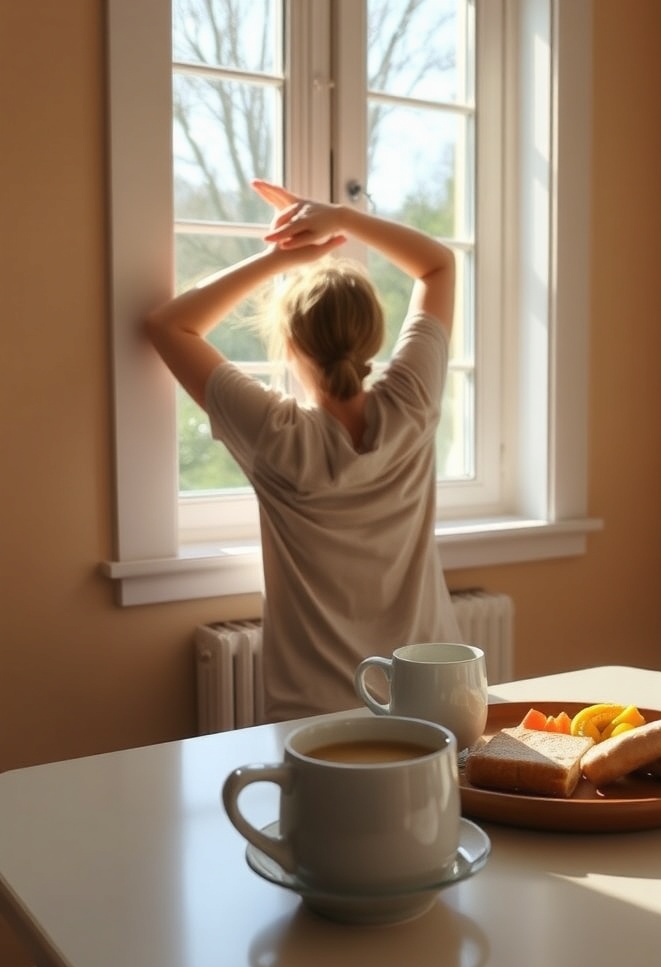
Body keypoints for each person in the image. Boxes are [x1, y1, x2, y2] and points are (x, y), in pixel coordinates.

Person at [143, 179, 462, 721]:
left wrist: (282, 257)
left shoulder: (276, 435)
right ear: (373, 337)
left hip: (316, 714)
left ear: (290, 346)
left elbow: (169, 325)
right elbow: (438, 265)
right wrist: (342, 218)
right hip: (433, 694)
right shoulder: (413, 403)